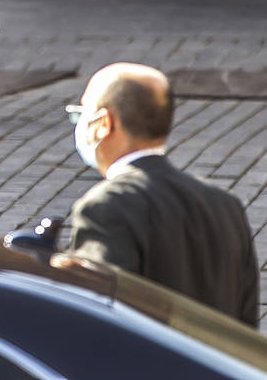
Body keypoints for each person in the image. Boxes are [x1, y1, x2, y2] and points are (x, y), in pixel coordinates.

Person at [64, 63, 258, 327]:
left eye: (81, 113)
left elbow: (99, 319)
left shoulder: (107, 206)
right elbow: (246, 320)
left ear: (104, 123)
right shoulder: (226, 205)